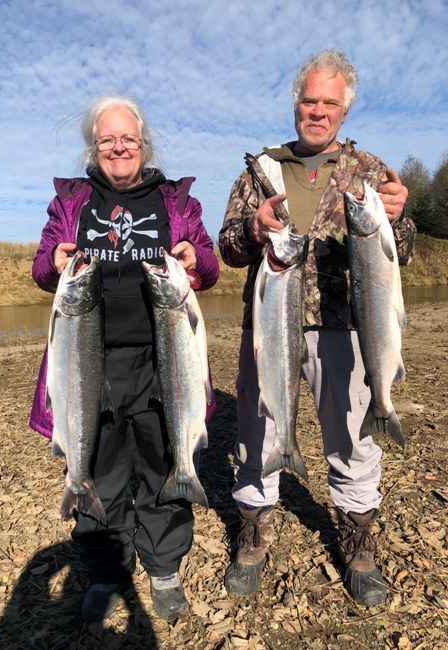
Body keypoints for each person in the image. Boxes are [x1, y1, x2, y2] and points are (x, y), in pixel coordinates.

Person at [219, 48, 416, 608]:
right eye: (310, 99)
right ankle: (254, 539)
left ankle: (358, 547)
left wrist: (400, 220)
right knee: (256, 433)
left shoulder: (370, 172)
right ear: (296, 104)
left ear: (344, 112)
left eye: (329, 102)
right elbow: (228, 249)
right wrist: (253, 233)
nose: (318, 110)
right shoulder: (258, 170)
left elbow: (399, 251)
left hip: (348, 329)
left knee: (353, 441)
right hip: (269, 326)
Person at [29, 94, 219, 623]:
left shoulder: (174, 201)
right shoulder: (73, 202)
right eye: (107, 138)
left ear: (143, 144)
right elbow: (43, 268)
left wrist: (194, 258)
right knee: (98, 467)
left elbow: (209, 264)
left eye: (128, 138)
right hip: (89, 359)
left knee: (165, 457)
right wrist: (56, 260)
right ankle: (108, 570)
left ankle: (163, 568)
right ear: (95, 145)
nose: (118, 147)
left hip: (164, 358)